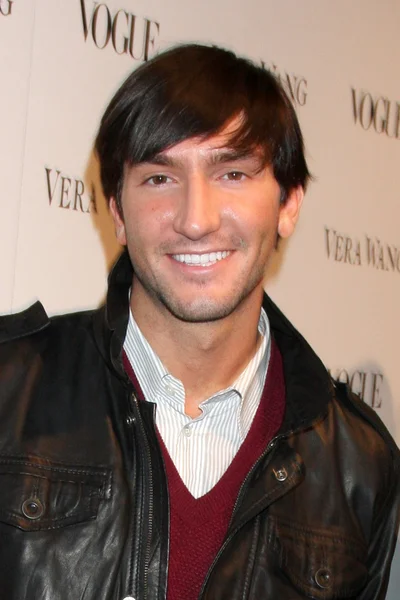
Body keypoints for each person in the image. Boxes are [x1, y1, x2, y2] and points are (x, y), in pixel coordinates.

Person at [0, 43, 398, 600]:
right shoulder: (9, 389)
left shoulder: (360, 466)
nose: (195, 220)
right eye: (160, 179)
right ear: (117, 211)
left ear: (288, 204)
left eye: (232, 173)